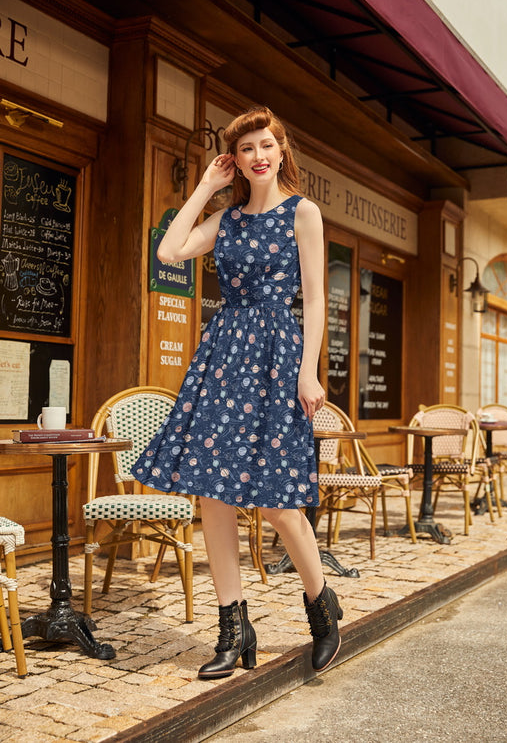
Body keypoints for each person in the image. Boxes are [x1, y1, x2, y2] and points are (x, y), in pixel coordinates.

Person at [132, 106, 343, 678]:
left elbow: (318, 300)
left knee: (278, 501)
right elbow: (169, 252)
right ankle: (234, 628)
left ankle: (322, 607)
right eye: (247, 148)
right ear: (237, 159)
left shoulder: (303, 213)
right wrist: (204, 185)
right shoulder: (226, 221)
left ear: (281, 150)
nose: (257, 156)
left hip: (277, 357)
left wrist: (308, 370)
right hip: (224, 358)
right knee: (212, 496)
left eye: (266, 145)